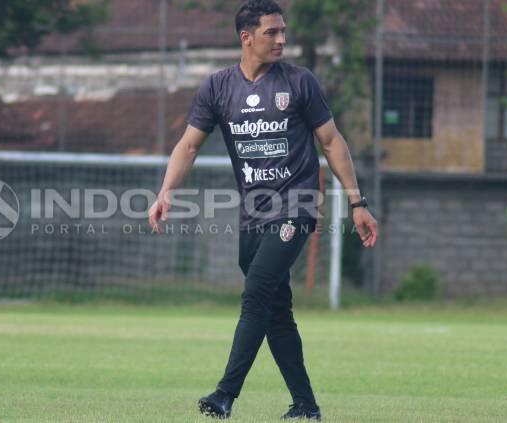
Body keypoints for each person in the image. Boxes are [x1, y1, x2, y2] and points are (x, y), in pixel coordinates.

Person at [148, 0, 378, 420]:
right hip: (252, 214)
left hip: (297, 207)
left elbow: (331, 142)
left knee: (255, 295)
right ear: (246, 37)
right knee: (275, 310)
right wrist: (165, 192)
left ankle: (224, 394)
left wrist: (357, 202)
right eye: (272, 32)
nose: (282, 39)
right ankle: (305, 405)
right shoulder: (218, 87)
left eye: (283, 31)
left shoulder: (301, 82)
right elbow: (189, 145)